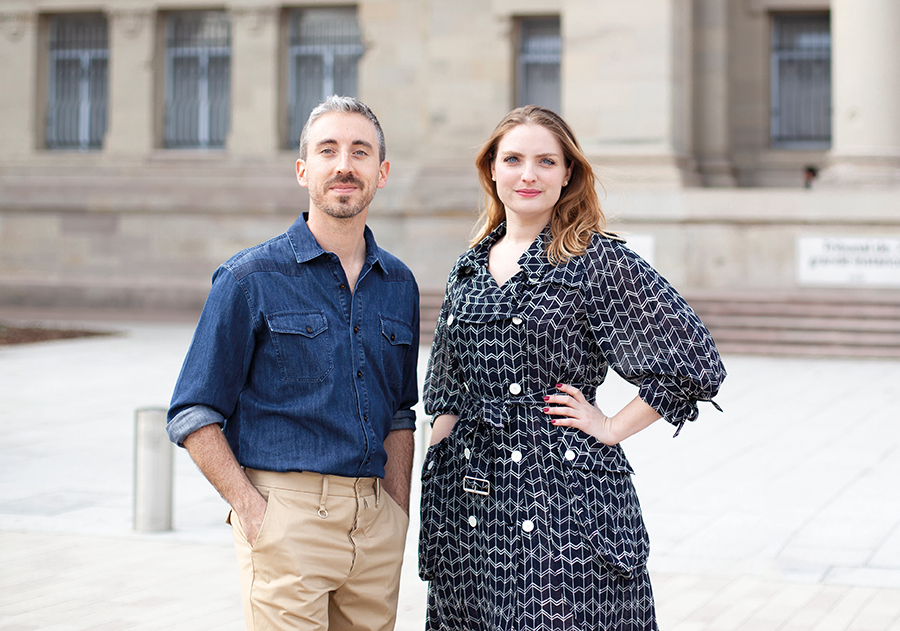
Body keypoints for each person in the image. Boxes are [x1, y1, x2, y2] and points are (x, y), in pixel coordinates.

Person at [419, 105, 726, 631]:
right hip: (468, 509)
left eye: (546, 161)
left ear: (568, 174)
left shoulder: (596, 260)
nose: (528, 174)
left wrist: (609, 427)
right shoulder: (467, 268)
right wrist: (435, 481)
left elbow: (693, 362)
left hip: (562, 503)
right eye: (513, 159)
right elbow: (445, 394)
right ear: (491, 169)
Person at [167, 96, 419, 631]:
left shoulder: (399, 285)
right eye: (327, 151)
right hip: (287, 520)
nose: (344, 165)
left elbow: (400, 414)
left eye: (360, 151)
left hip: (375, 526)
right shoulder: (248, 279)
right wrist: (255, 513)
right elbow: (192, 412)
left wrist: (396, 513)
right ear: (304, 170)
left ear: (383, 171)